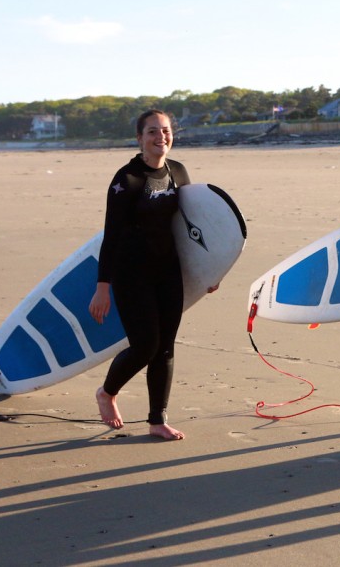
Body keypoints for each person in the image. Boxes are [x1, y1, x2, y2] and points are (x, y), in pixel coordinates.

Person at [89, 109, 213, 440]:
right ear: (140, 138)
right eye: (152, 132)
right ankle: (107, 392)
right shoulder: (126, 179)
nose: (161, 137)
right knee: (146, 346)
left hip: (168, 270)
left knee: (166, 347)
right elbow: (111, 236)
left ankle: (157, 420)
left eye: (166, 130)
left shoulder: (178, 172)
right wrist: (103, 287)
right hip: (131, 274)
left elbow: (192, 228)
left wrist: (209, 270)